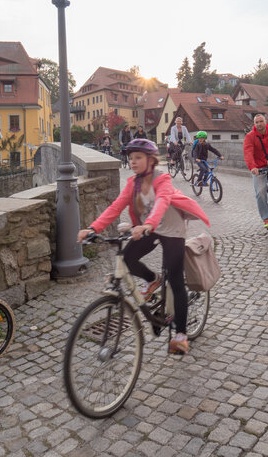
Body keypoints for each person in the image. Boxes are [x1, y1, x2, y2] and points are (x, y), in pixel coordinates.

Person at [77, 139, 210, 355]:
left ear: (150, 160)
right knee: (127, 259)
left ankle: (181, 335)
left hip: (170, 227)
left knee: (175, 279)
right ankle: (153, 279)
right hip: (149, 227)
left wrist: (148, 223)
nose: (133, 162)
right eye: (131, 158)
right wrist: (93, 228)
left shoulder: (162, 178)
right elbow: (115, 206)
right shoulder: (132, 184)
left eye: (138, 157)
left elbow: (163, 200)